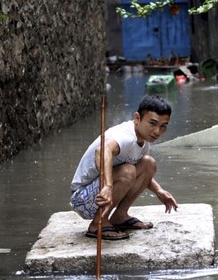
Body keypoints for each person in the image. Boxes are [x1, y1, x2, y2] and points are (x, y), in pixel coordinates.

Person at [70, 95, 178, 240]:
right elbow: (101, 151)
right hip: (83, 199)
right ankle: (97, 224)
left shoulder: (143, 142)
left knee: (148, 164)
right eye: (152, 123)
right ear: (137, 118)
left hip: (100, 196)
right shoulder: (125, 135)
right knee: (128, 171)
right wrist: (107, 186)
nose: (157, 131)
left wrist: (159, 191)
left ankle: (119, 216)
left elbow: (142, 172)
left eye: (163, 126)